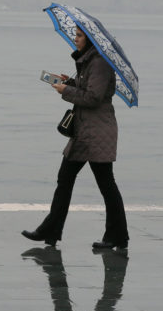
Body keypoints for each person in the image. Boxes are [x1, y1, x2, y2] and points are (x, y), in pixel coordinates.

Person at [22, 26, 129, 249]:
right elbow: (87, 90)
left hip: (97, 133)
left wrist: (66, 92)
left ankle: (116, 236)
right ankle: (51, 230)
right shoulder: (88, 61)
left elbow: (93, 97)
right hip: (84, 132)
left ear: (89, 40)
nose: (75, 39)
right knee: (66, 180)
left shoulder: (98, 63)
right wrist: (69, 83)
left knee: (105, 184)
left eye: (79, 36)